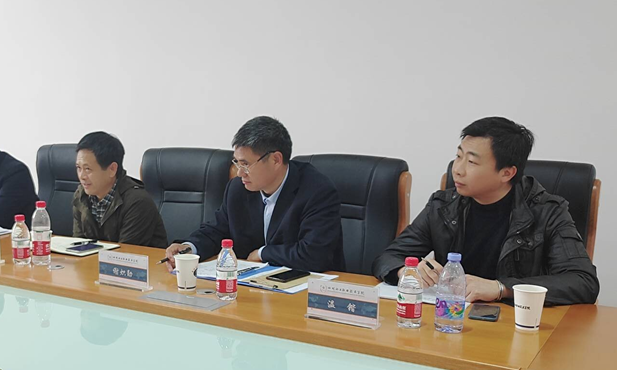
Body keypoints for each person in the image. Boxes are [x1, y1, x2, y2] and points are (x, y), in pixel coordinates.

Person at [373, 116, 599, 306]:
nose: (457, 170)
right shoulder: (443, 206)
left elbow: (583, 281)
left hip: (515, 325)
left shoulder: (547, 212)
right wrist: (407, 272)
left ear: (507, 173)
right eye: (458, 156)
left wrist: (501, 288)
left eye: (471, 162)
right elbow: (388, 258)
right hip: (451, 318)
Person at [164, 116, 345, 273]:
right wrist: (189, 248)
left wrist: (262, 253)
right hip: (253, 286)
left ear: (275, 159)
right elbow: (218, 230)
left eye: (246, 164)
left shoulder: (316, 191)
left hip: (306, 289)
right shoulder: (238, 189)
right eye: (237, 163)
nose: (240, 172)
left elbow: (314, 255)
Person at [72, 131, 168, 248]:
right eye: (79, 168)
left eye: (87, 169)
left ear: (112, 169)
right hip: (96, 259)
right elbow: (78, 245)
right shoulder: (81, 195)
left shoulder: (137, 202)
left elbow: (125, 253)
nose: (81, 176)